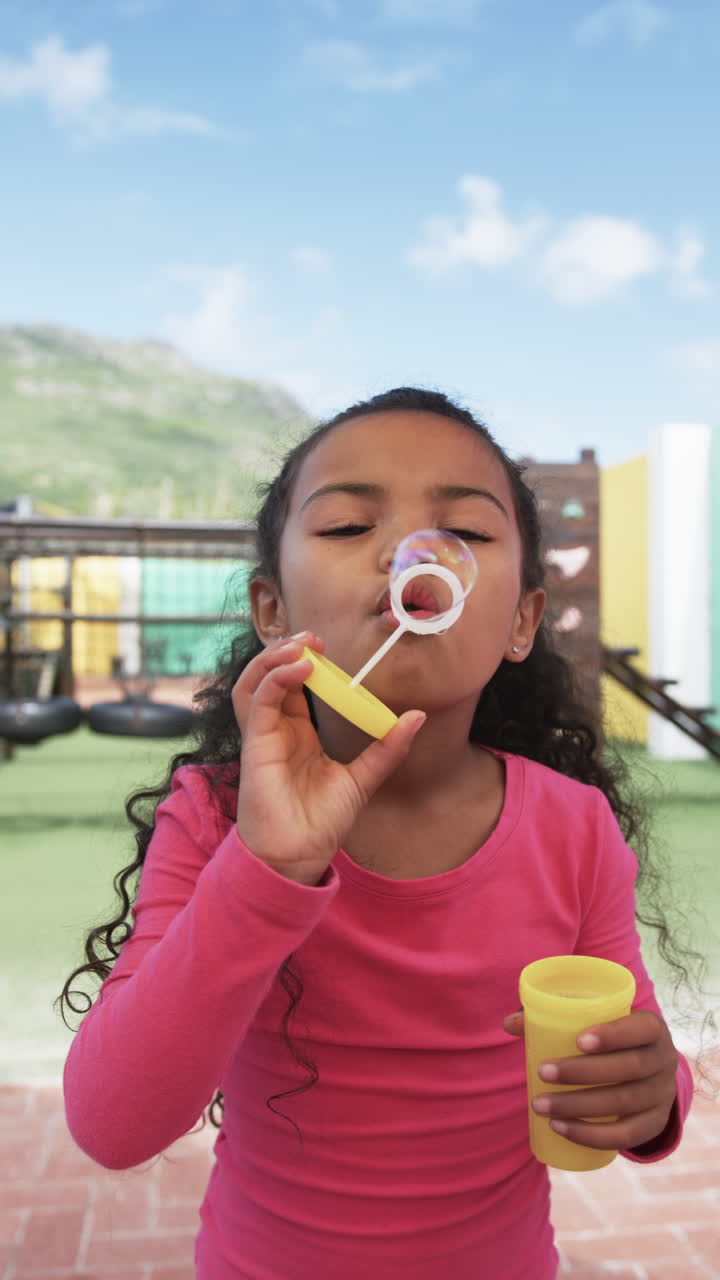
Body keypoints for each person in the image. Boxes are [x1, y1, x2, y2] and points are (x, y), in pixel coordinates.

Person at [60, 387, 693, 1280]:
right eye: (349, 526)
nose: (409, 555)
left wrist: (652, 1095)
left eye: (466, 535)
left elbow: (631, 1046)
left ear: (521, 622)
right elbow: (111, 1124)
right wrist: (269, 864)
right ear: (273, 613)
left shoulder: (575, 828)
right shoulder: (214, 819)